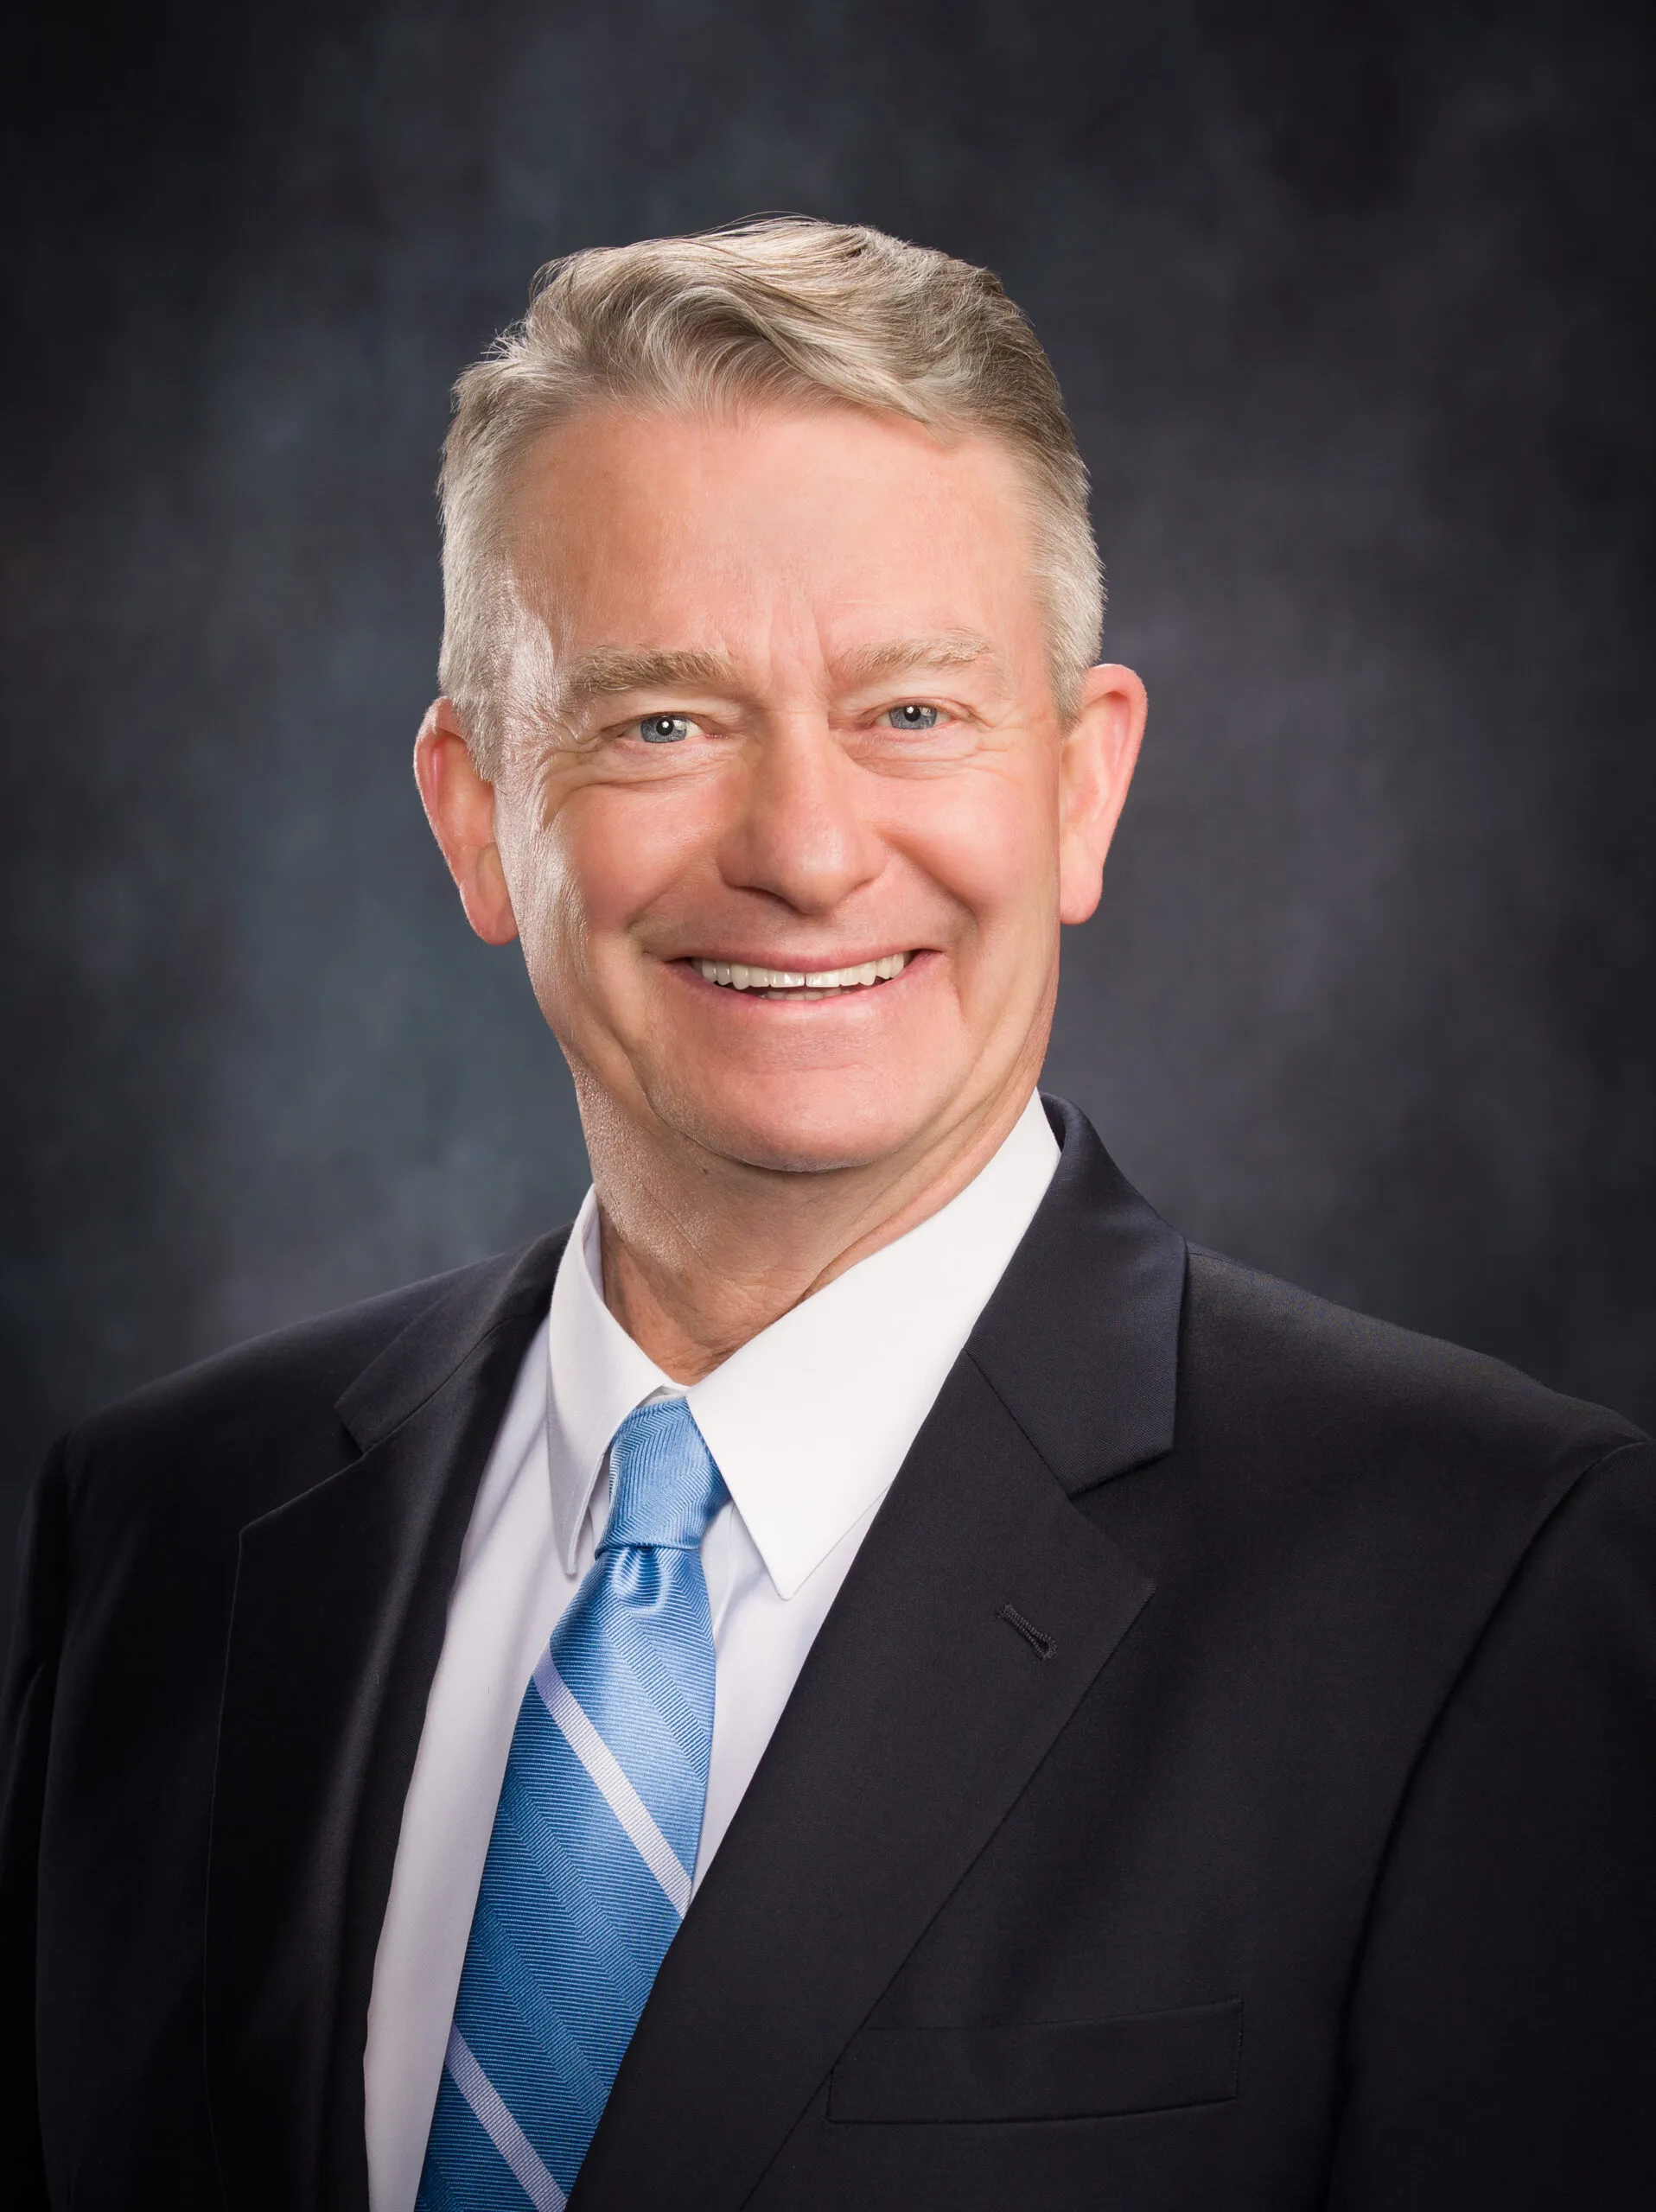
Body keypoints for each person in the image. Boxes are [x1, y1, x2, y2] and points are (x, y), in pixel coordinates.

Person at [2, 218, 1652, 2212]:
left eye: (913, 713)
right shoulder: (163, 1530)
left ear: (1080, 789)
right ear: (471, 813)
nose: (799, 848)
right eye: (660, 722)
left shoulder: (1481, 1575)